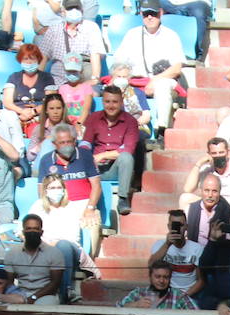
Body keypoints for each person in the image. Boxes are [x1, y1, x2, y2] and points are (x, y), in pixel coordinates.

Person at [113, 0, 186, 137]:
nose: (150, 17)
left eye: (153, 13)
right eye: (146, 14)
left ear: (161, 13)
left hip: (163, 80)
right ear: (141, 14)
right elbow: (118, 63)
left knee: (162, 85)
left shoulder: (171, 36)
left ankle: (161, 131)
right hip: (135, 82)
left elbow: (176, 69)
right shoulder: (131, 35)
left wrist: (154, 81)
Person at [81, 85, 139, 216]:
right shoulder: (93, 118)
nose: (111, 105)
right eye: (107, 101)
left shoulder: (130, 122)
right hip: (95, 168)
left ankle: (123, 198)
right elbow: (86, 143)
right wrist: (87, 157)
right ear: (103, 101)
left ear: (121, 102)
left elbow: (128, 148)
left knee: (126, 157)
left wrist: (102, 155)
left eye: (115, 102)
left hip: (115, 168)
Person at [36, 123, 102, 235]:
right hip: (57, 206)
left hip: (84, 205)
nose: (66, 145)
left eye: (69, 141)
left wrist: (90, 208)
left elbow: (96, 186)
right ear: (54, 144)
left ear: (75, 140)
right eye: (62, 142)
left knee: (92, 225)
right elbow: (41, 189)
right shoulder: (46, 160)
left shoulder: (85, 156)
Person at [31, 173, 96, 280]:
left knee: (63, 246)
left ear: (63, 190)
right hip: (42, 247)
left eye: (58, 187)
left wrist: (51, 244)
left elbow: (72, 238)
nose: (55, 190)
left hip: (68, 249)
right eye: (52, 188)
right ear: (46, 191)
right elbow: (24, 228)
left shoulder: (72, 208)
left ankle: (65, 291)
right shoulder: (38, 206)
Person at [0, 213, 67, 305]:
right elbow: (9, 282)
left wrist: (34, 297)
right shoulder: (12, 253)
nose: (32, 232)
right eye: (29, 229)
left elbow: (55, 283)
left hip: (45, 295)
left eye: (36, 229)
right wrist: (17, 296)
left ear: (41, 232)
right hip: (20, 293)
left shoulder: (54, 253)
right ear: (23, 232)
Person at [33, 0, 103, 83]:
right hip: (59, 80)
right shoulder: (54, 29)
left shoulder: (91, 27)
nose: (74, 11)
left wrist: (95, 78)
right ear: (63, 12)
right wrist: (37, 81)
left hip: (83, 78)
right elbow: (43, 57)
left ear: (82, 11)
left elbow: (95, 54)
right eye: (70, 8)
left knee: (93, 91)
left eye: (77, 8)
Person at [180, 137, 230, 211]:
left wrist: (228, 212)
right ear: (209, 154)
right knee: (185, 198)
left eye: (221, 152)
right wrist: (198, 164)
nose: (218, 156)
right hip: (211, 206)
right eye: (214, 153)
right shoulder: (206, 169)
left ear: (227, 152)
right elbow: (188, 189)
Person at [3, 44, 57, 138]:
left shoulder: (46, 78)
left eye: (32, 59)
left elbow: (51, 101)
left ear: (38, 60)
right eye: (25, 59)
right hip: (16, 116)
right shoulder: (14, 77)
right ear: (20, 60)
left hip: (38, 117)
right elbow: (7, 102)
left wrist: (33, 112)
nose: (29, 62)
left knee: (38, 133)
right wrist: (22, 112)